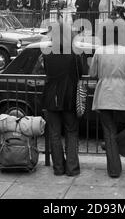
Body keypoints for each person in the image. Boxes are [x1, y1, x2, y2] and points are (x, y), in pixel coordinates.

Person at [89, 24, 125, 178]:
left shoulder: (100, 51)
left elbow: (92, 73)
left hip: (104, 94)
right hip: (123, 94)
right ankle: (115, 143)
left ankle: (114, 170)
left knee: (108, 131)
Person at [42, 23, 83, 176]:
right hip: (69, 96)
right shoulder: (74, 54)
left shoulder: (47, 54)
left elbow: (46, 72)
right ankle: (72, 168)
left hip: (51, 97)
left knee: (54, 133)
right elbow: (81, 72)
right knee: (71, 132)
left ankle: (58, 168)